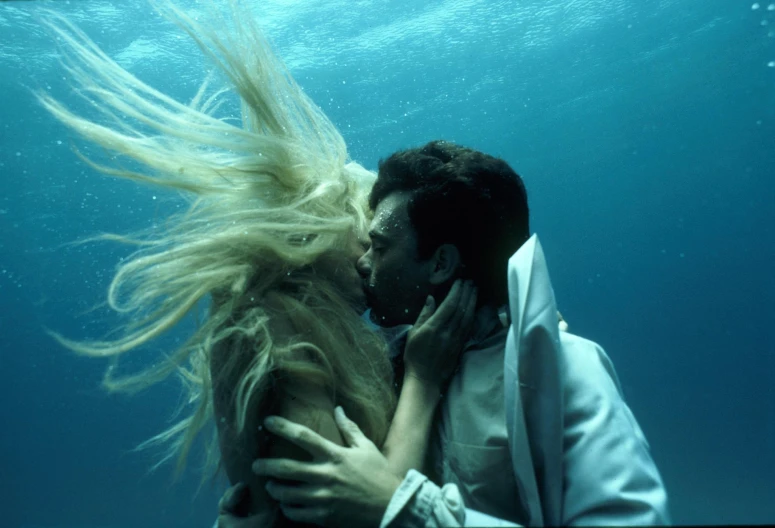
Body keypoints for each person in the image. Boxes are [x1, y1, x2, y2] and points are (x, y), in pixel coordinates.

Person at [42, 4, 477, 527]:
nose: (369, 264)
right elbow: (359, 513)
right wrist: (424, 383)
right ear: (314, 235)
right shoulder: (283, 335)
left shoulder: (269, 322)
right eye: (366, 242)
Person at [220, 141, 671, 527]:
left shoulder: (564, 367)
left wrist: (404, 510)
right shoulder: (393, 367)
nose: (362, 262)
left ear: (440, 263)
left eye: (379, 246)